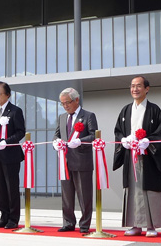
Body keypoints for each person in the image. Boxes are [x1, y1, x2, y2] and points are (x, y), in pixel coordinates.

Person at [113, 76, 161, 237]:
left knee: (148, 189)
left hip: (149, 157)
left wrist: (147, 141)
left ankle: (151, 225)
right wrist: (123, 140)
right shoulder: (125, 110)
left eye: (138, 86)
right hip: (131, 156)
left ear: (147, 89)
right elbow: (118, 131)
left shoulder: (154, 110)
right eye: (132, 86)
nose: (135, 89)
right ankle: (135, 224)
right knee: (132, 189)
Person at [52, 87, 97, 234]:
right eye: (62, 103)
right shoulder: (62, 117)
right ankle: (68, 222)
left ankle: (84, 224)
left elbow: (94, 136)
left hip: (82, 161)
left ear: (77, 100)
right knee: (66, 195)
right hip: (65, 162)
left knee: (84, 195)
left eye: (68, 102)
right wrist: (55, 143)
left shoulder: (88, 116)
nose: (65, 106)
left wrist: (80, 141)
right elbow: (56, 135)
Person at [0, 81, 25, 230]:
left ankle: (13, 219)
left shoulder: (15, 111)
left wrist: (6, 142)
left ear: (7, 94)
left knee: (11, 187)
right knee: (0, 187)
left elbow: (20, 132)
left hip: (11, 156)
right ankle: (4, 216)